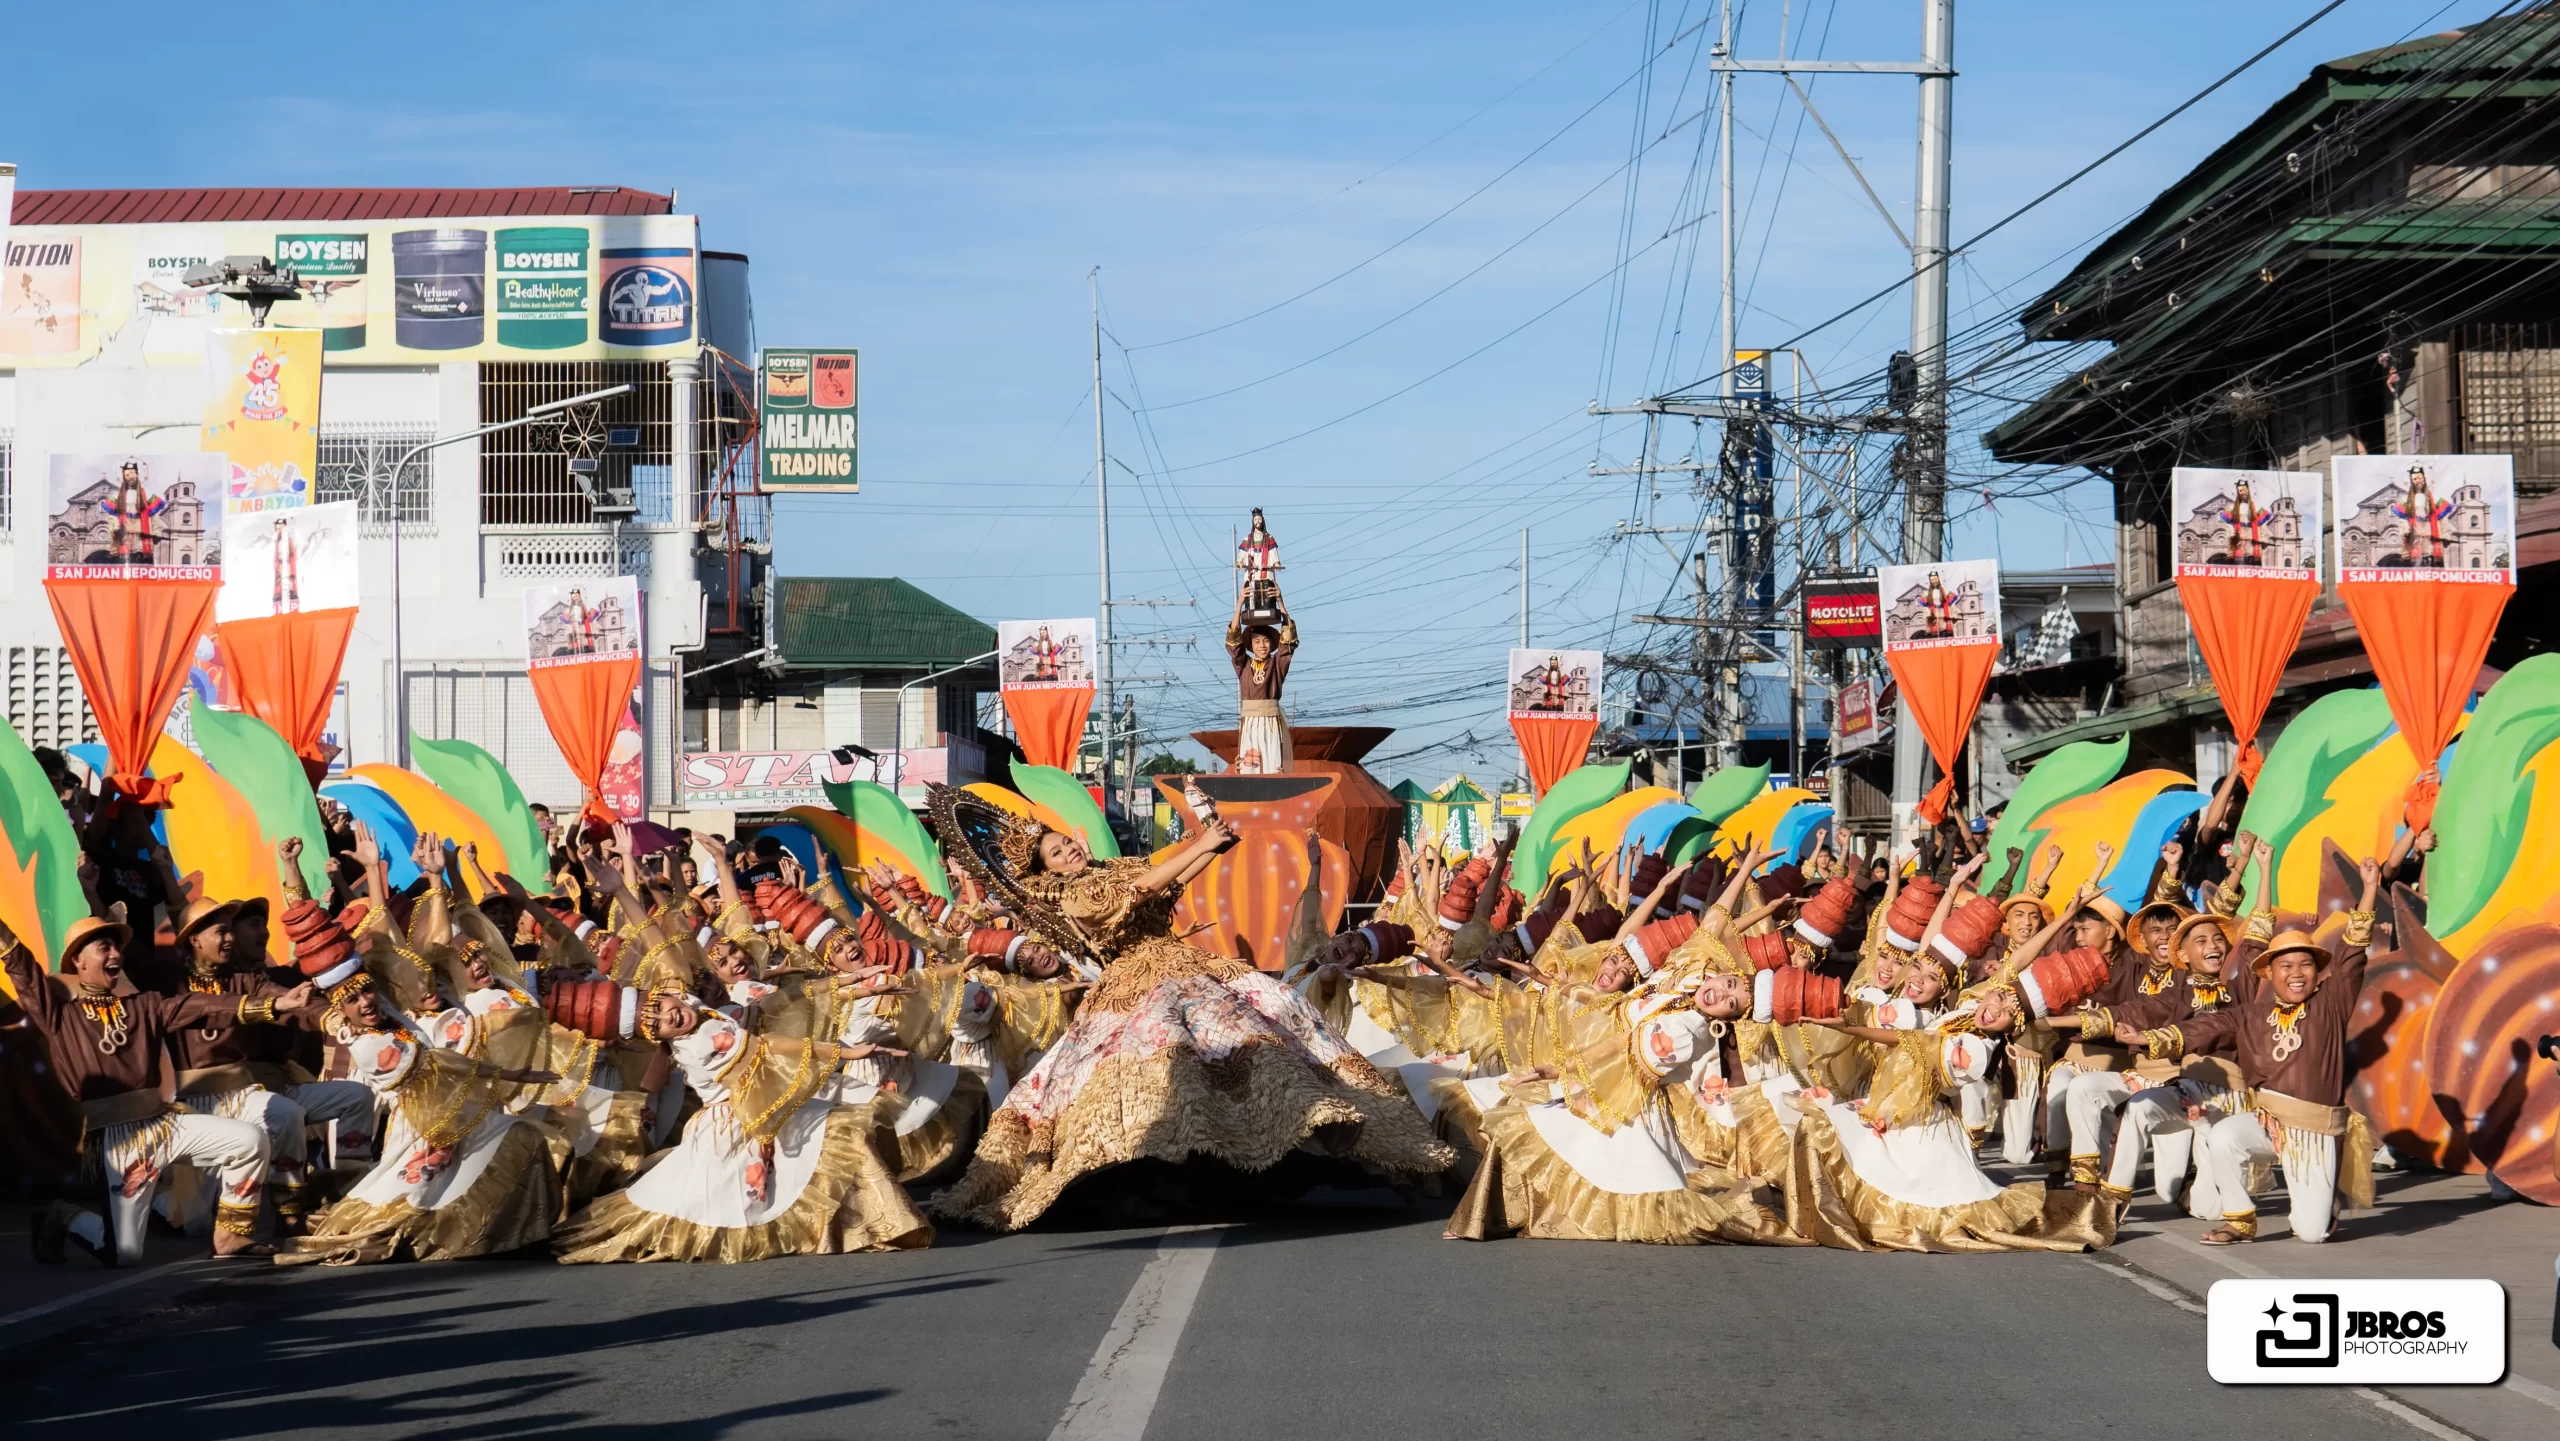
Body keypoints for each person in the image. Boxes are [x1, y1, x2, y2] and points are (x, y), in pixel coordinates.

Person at [925, 787, 1450, 1229]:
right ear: (1049, 873)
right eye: (1057, 855)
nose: (1069, 854)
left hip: (1189, 966)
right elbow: (1144, 884)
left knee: (1276, 1018)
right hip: (1135, 985)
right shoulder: (1076, 898)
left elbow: (1168, 882)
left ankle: (1286, 1138)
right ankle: (1167, 1171)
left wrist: (1212, 846)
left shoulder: (1109, 871)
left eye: (1067, 845)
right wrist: (1204, 840)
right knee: (1167, 1061)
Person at [14, 910, 313, 1264]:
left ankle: (231, 1233)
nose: (115, 955)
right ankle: (64, 1215)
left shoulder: (144, 1005)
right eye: (104, 948)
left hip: (164, 1123)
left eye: (117, 949)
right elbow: (23, 970)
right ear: (78, 961)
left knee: (249, 1140)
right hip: (121, 1141)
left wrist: (274, 1004)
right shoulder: (61, 1015)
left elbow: (201, 1006)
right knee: (122, 1253)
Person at [2123, 858, 2381, 1245]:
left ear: (2316, 972)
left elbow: (2351, 956)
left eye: (2305, 965)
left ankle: (2324, 1206)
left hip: (2312, 1132)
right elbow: (2206, 1025)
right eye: (2285, 966)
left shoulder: (2332, 1002)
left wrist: (2370, 888)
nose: (2296, 973)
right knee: (2225, 1133)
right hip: (2267, 1123)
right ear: (2269, 974)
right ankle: (2240, 1221)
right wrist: (2150, 1039)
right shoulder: (2251, 1014)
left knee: (2311, 1234)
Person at [1227, 591, 1299, 776]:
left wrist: (1281, 603)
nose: (1262, 646)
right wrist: (1240, 603)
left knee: (1273, 768)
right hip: (1250, 723)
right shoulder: (1244, 665)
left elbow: (1288, 641)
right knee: (1249, 768)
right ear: (1251, 645)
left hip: (1271, 724)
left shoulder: (1277, 664)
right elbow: (1233, 644)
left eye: (1266, 641)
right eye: (1257, 642)